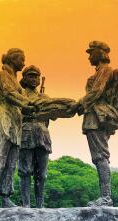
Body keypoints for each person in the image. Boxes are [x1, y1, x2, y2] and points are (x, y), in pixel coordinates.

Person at [74, 41, 118, 207]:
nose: (89, 56)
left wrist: (79, 104)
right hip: (93, 118)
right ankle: (105, 196)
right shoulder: (99, 72)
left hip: (97, 119)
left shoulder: (105, 71)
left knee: (101, 156)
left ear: (101, 53)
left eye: (91, 53)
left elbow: (96, 92)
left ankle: (106, 197)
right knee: (99, 157)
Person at [0, 48, 38, 208]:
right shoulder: (3, 75)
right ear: (13, 59)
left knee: (11, 162)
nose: (24, 63)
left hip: (15, 122)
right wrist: (28, 104)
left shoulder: (14, 77)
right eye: (21, 59)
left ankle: (5, 196)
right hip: (3, 119)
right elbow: (10, 95)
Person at [18, 65, 76, 207]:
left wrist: (47, 105)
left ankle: (40, 204)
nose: (34, 79)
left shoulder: (44, 97)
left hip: (43, 135)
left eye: (36, 76)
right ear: (24, 78)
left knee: (42, 173)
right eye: (31, 76)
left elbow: (54, 116)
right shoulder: (20, 95)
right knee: (25, 171)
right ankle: (26, 204)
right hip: (25, 132)